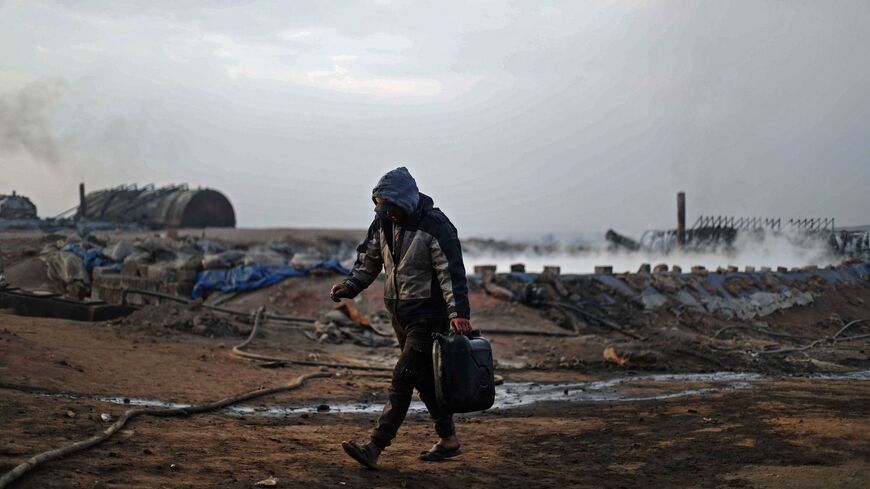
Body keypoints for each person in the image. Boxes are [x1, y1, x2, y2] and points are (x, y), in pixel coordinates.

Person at [330, 167, 471, 469]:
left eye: (390, 206)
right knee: (422, 379)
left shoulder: (436, 226)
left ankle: (375, 447)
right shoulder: (382, 222)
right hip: (399, 314)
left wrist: (458, 312)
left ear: (404, 200)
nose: (385, 212)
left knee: (403, 377)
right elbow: (369, 260)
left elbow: (451, 273)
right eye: (380, 206)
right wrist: (350, 286)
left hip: (429, 317)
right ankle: (449, 440)